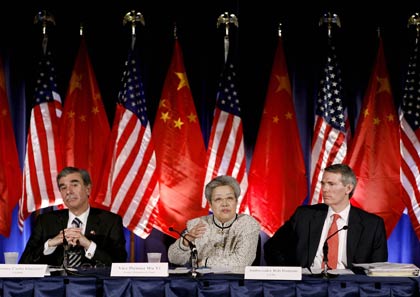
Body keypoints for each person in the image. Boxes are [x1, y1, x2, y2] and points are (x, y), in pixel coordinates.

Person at [264, 163, 388, 270]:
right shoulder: (304, 216)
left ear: (348, 188)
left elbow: (378, 268)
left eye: (331, 184)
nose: (325, 189)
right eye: (323, 184)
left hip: (349, 288)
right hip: (307, 287)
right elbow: (272, 248)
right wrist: (292, 275)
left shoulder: (371, 225)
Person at [19, 166, 127, 267]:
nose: (68, 191)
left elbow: (119, 265)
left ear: (87, 189)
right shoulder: (45, 221)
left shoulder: (110, 221)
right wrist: (50, 244)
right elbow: (24, 264)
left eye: (74, 185)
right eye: (63, 187)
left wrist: (88, 245)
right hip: (53, 286)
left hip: (94, 285)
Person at [168, 175, 261, 270]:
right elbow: (174, 259)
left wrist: (205, 262)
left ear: (236, 202)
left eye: (229, 198)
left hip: (236, 283)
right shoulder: (198, 224)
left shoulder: (247, 224)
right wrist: (186, 241)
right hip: (201, 284)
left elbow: (242, 262)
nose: (225, 204)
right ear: (210, 204)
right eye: (218, 199)